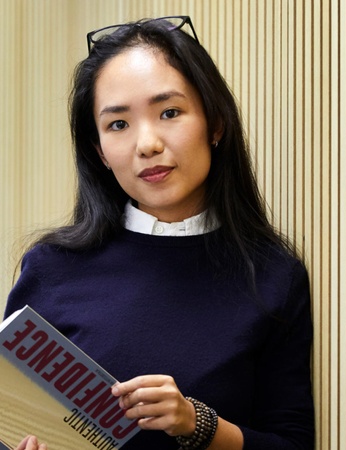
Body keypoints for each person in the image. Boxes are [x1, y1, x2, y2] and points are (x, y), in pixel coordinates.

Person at [5, 16, 314, 450]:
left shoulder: (274, 275)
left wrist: (198, 423)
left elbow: (293, 443)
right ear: (100, 153)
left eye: (169, 112)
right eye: (118, 124)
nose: (146, 143)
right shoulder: (51, 267)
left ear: (216, 123)